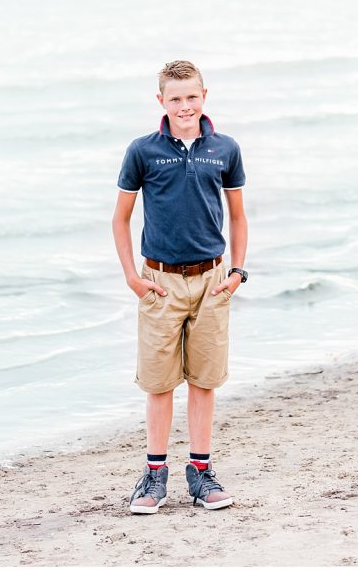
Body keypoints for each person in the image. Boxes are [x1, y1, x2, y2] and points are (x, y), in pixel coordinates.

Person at [112, 60, 249, 514]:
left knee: (204, 382)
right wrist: (134, 277)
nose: (184, 106)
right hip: (160, 284)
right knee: (159, 383)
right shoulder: (143, 151)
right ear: (161, 102)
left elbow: (238, 216)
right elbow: (121, 218)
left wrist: (237, 273)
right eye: (175, 98)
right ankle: (154, 477)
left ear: (204, 95)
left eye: (192, 96)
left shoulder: (224, 149)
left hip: (212, 281)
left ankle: (201, 473)